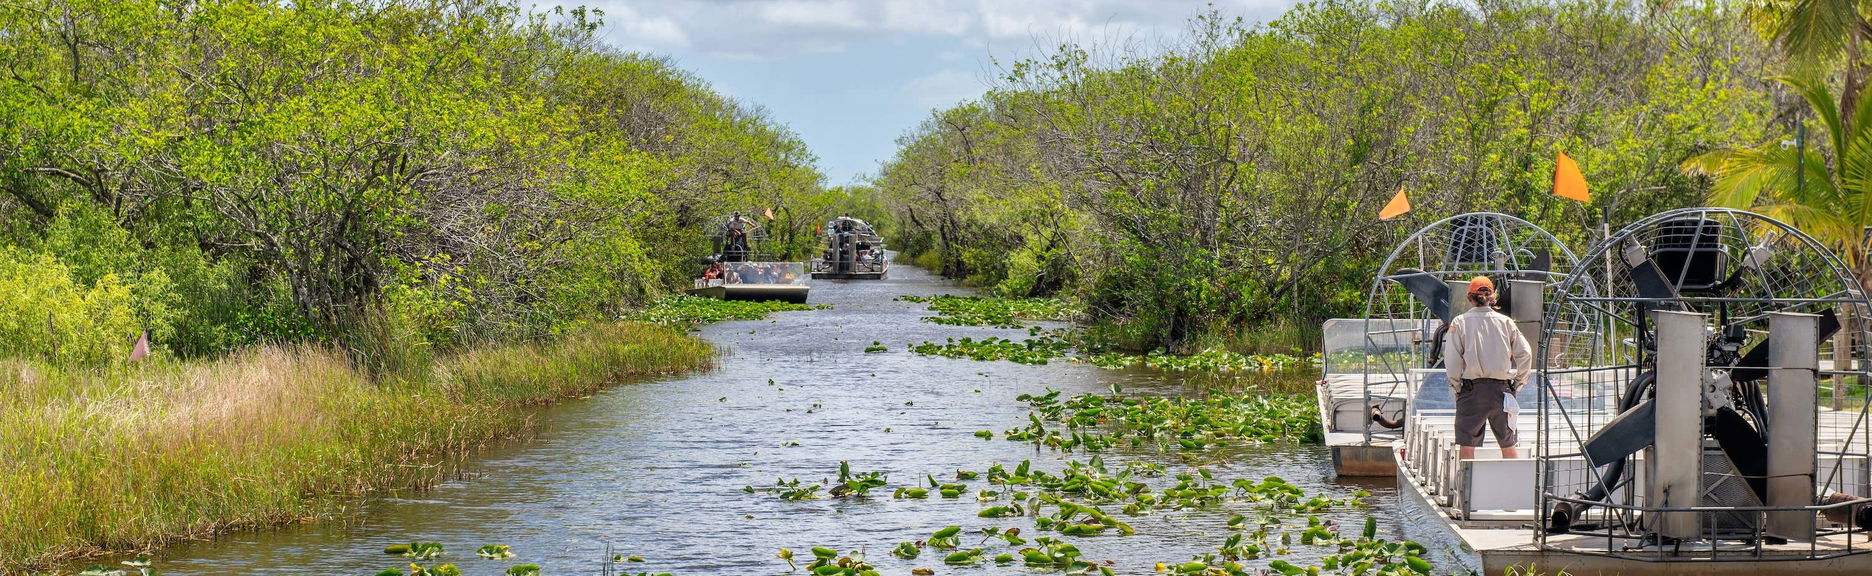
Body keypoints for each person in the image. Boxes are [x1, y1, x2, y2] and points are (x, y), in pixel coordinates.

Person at [1442, 275, 1532, 460]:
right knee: (1508, 442)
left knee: (1467, 443)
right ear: (1492, 297)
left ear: (1469, 298)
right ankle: (1512, 485)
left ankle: (1466, 487)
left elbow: (1452, 360)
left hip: (1471, 390)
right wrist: (1517, 384)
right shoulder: (1506, 322)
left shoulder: (1459, 322)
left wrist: (1456, 386)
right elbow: (1526, 354)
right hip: (1502, 390)